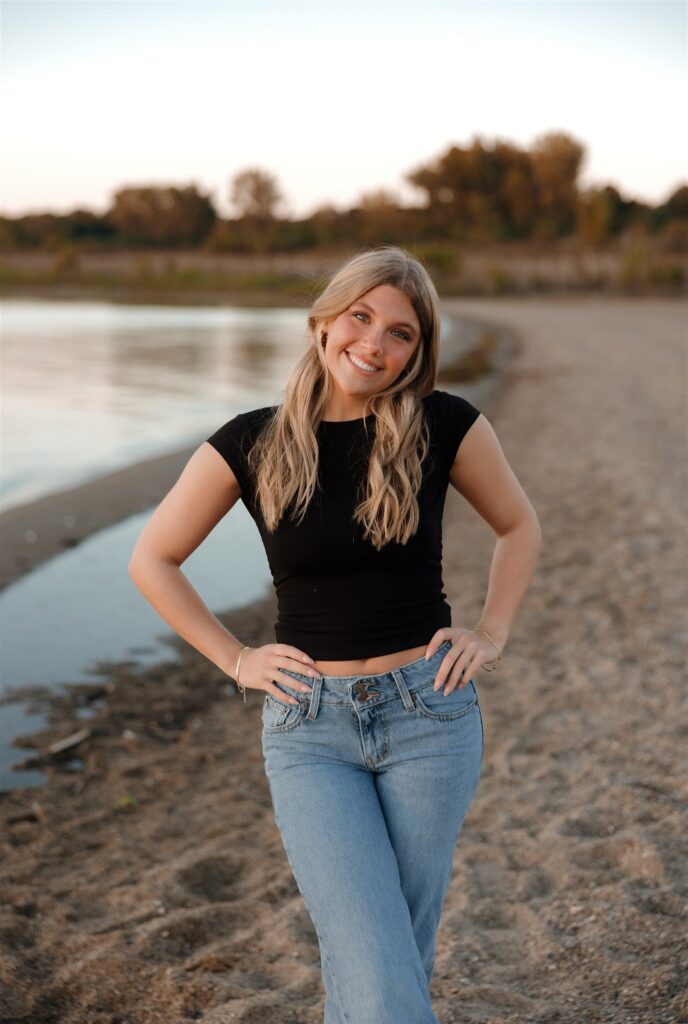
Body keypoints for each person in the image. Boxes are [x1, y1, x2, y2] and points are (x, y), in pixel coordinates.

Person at [128, 244, 541, 1022]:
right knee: (373, 957)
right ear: (324, 321)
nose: (375, 345)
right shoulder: (249, 443)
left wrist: (491, 632)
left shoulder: (444, 424)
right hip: (308, 726)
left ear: (418, 353)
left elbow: (519, 526)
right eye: (362, 318)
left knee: (391, 957)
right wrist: (236, 658)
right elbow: (153, 558)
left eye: (401, 334)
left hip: (431, 715)